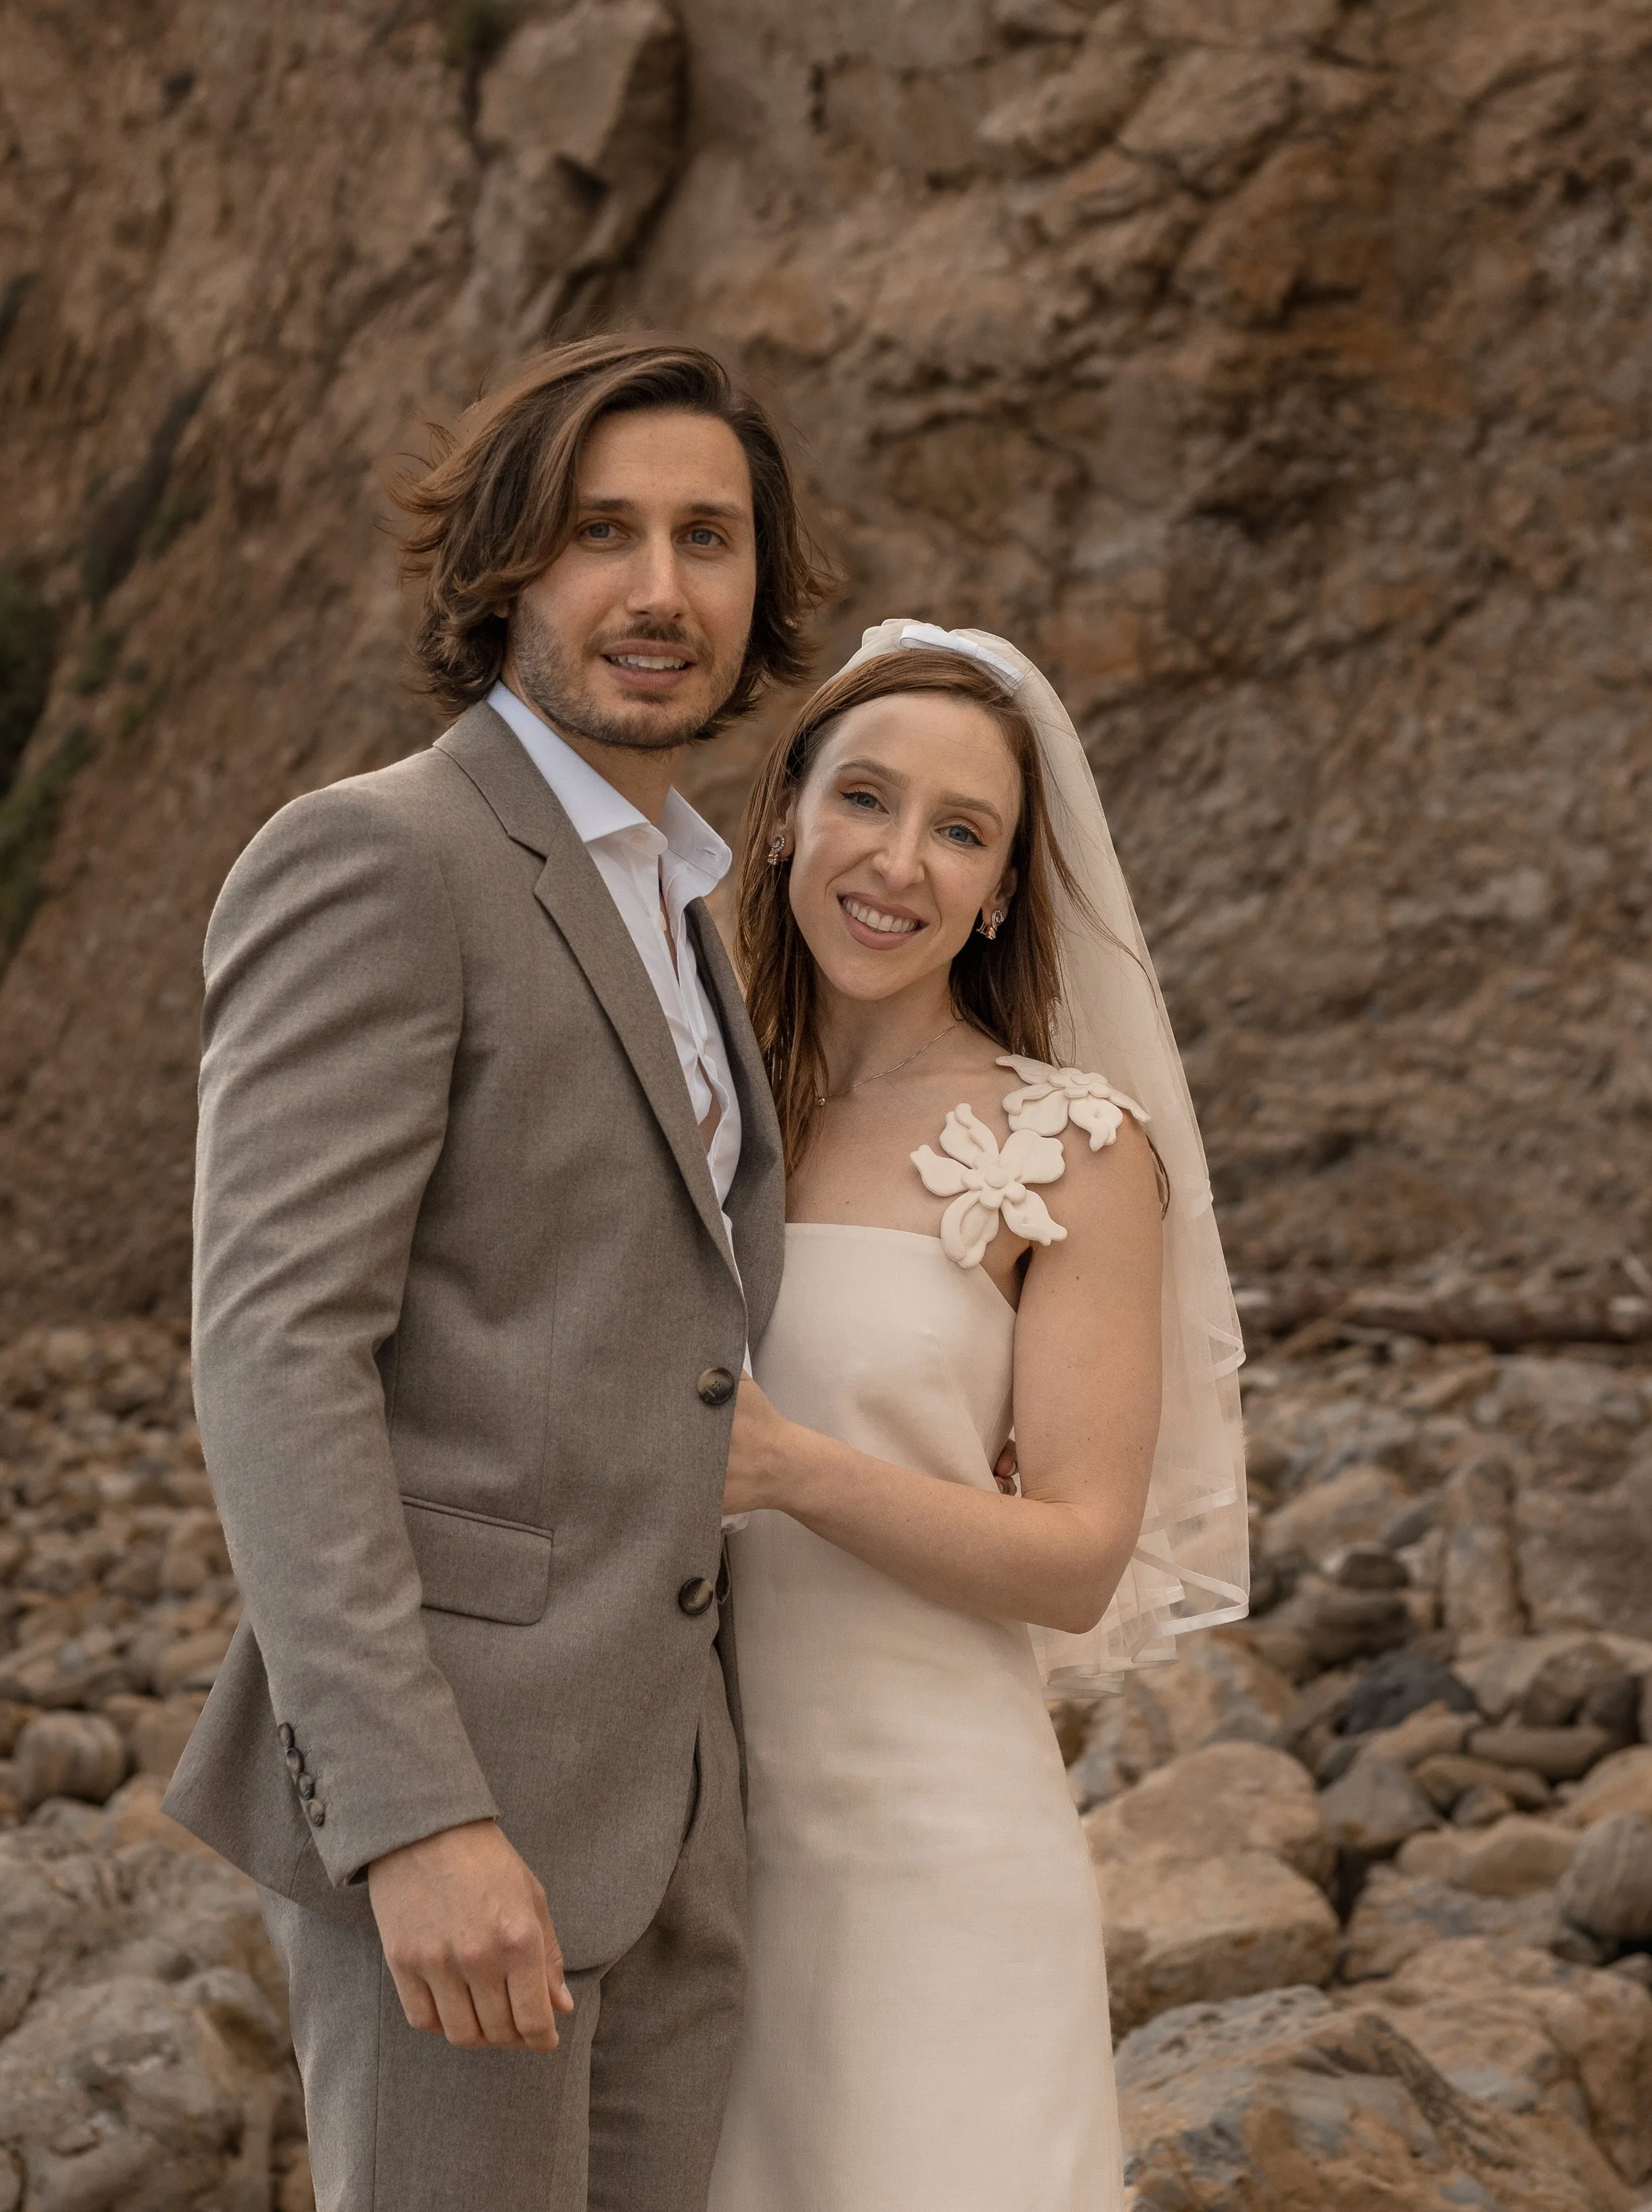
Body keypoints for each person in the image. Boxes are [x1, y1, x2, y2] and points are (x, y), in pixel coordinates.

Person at [163, 336, 831, 2211]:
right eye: (600, 531)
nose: (658, 588)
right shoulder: (383, 856)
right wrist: (412, 1814)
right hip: (465, 1817)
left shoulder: (680, 900)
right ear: (501, 572)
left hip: (671, 1807)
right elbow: (277, 1346)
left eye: (710, 537)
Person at [707, 620, 1249, 2212]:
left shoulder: (1071, 1144)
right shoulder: (690, 1099)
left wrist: (791, 1470)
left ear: (1005, 887)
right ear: (788, 815)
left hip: (935, 1849)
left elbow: (1079, 1554)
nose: (898, 862)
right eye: (864, 802)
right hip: (695, 1857)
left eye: (961, 832)